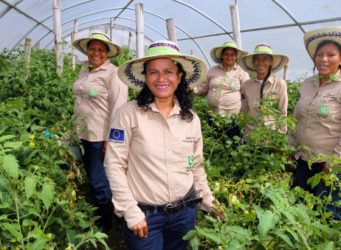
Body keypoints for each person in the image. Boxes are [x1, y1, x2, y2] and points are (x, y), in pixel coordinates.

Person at [104, 40, 223, 249]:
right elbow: (114, 164)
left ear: (179, 77)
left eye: (168, 71)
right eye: (153, 72)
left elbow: (196, 166)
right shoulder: (128, 114)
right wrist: (131, 212)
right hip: (145, 217)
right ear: (145, 78)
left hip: (185, 214)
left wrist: (208, 201)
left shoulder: (191, 119)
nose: (161, 78)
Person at [72, 31, 128, 233]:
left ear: (108, 53)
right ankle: (103, 213)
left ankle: (106, 224)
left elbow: (119, 110)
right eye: (92, 48)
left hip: (100, 137)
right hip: (82, 134)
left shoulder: (114, 74)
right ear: (87, 51)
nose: (96, 53)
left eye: (100, 49)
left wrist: (111, 140)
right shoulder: (84, 71)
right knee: (94, 177)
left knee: (99, 181)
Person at [288, 26, 341, 219]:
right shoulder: (307, 84)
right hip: (303, 160)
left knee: (326, 215)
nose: (324, 59)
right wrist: (290, 148)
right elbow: (296, 119)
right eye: (320, 54)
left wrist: (331, 166)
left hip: (328, 165)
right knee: (300, 211)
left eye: (331, 55)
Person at [193, 41, 249, 138]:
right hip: (213, 116)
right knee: (216, 143)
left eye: (232, 55)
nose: (229, 57)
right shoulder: (213, 70)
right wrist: (190, 88)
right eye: (226, 54)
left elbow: (247, 94)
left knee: (231, 145)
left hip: (232, 117)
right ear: (222, 55)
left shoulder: (241, 72)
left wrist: (242, 114)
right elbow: (203, 89)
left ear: (236, 57)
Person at [238, 43, 289, 136]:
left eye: (265, 59)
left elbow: (283, 112)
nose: (260, 62)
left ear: (271, 62)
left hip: (271, 136)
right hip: (251, 135)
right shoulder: (247, 85)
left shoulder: (279, 84)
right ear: (253, 63)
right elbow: (244, 110)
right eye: (257, 59)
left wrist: (281, 137)